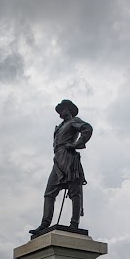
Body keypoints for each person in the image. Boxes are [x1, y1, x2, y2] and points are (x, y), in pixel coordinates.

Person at [30, 99, 93, 235]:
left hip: (69, 157)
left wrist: (76, 144)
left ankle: (74, 223)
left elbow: (87, 128)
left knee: (74, 192)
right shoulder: (59, 127)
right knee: (49, 192)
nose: (59, 113)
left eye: (62, 110)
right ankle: (45, 223)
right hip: (58, 159)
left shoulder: (74, 121)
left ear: (68, 109)